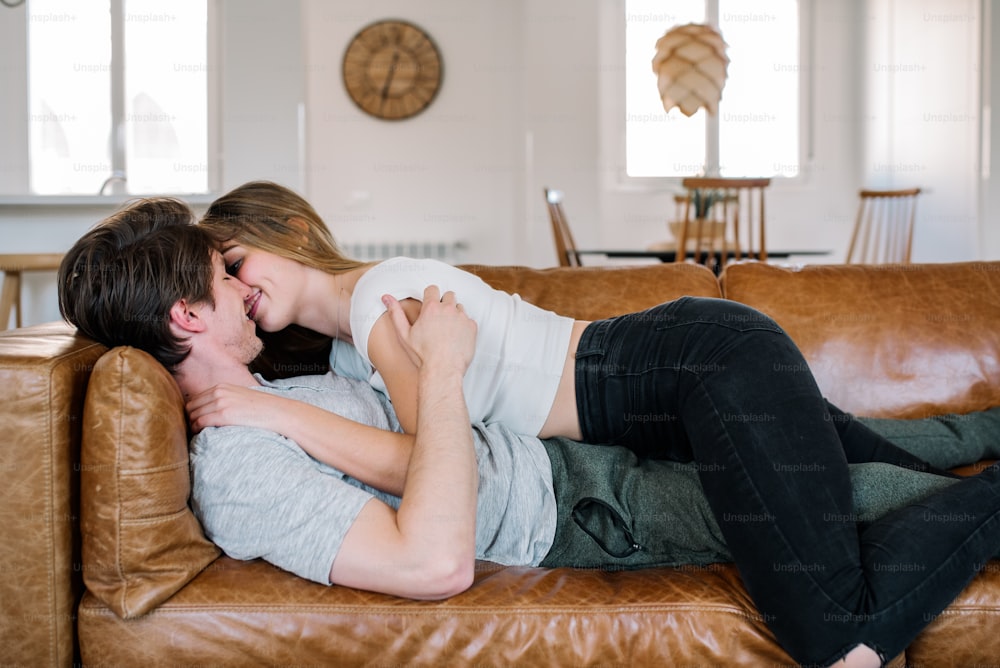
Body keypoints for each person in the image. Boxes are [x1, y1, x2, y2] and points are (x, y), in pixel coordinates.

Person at [198, 180, 1000, 667]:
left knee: (829, 637)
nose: (238, 288)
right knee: (902, 469)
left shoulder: (380, 302)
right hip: (689, 379)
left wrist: (269, 413)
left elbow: (428, 460)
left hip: (695, 369)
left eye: (236, 263)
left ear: (293, 233)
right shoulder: (344, 355)